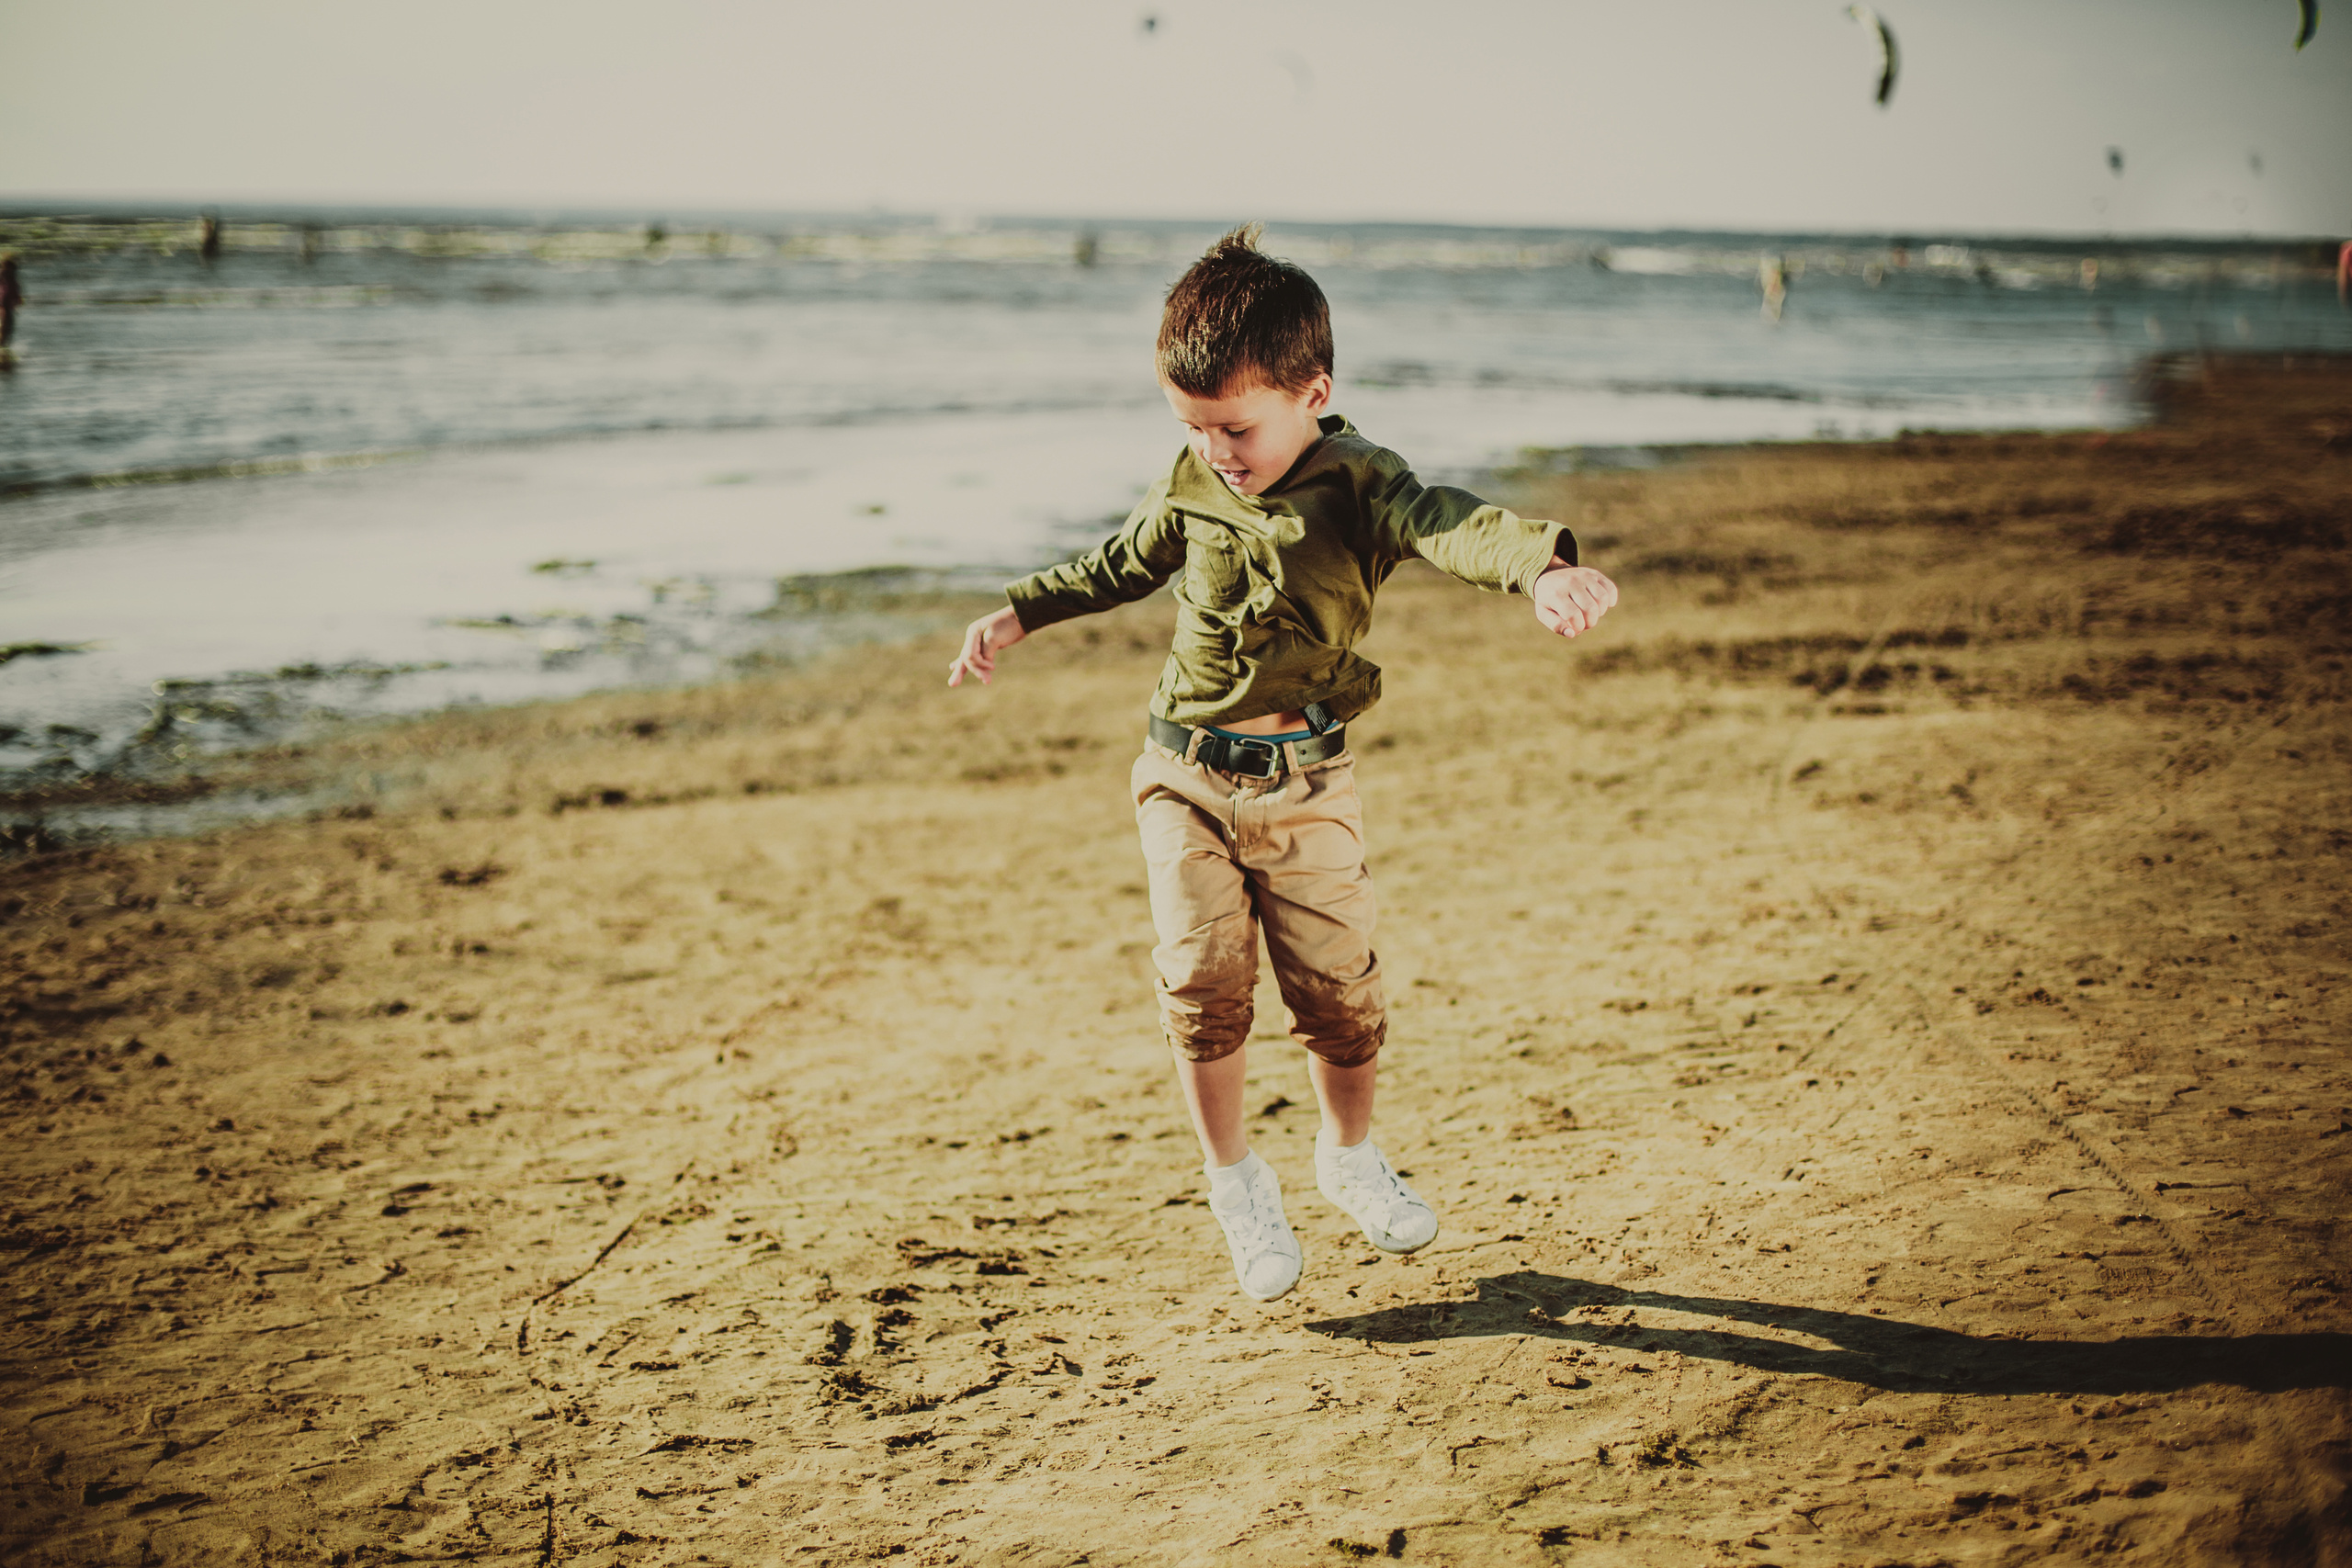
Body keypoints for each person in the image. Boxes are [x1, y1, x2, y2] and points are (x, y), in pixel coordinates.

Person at [946, 227, 1619, 1302]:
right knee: (1204, 982)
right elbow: (1122, 560)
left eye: (1235, 426)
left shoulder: (1363, 482)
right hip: (1182, 777)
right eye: (1195, 427)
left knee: (1339, 1000)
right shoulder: (1193, 479)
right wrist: (1019, 612)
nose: (1216, 449)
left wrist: (1539, 568)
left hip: (1309, 785)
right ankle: (1235, 1185)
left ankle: (1347, 1156)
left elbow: (1451, 524)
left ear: (1313, 390)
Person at [0, 254, 22, 357]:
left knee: (7, 327)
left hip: (6, 305)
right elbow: (13, 292)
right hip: (5, 305)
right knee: (7, 327)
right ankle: (3, 348)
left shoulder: (8, 277)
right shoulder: (8, 276)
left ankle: (4, 348)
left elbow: (15, 293)